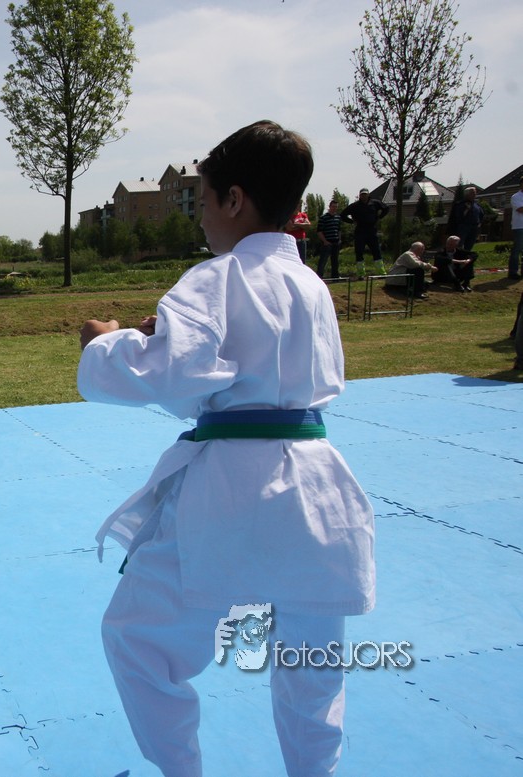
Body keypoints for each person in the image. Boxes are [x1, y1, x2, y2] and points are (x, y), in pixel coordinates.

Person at [79, 120, 374, 777]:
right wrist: (171, 342)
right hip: (318, 486)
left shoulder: (219, 276)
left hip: (233, 490)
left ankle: (181, 769)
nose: (203, 219)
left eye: (207, 201)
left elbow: (171, 375)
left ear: (234, 199)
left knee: (137, 637)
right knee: (312, 665)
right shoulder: (312, 286)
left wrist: (106, 342)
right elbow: (240, 385)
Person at [341, 188, 388, 275]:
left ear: (368, 195)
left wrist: (379, 217)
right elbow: (343, 215)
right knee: (359, 252)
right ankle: (361, 273)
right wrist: (352, 222)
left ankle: (381, 272)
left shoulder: (375, 203)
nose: (364, 196)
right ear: (360, 195)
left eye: (365, 194)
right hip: (360, 231)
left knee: (376, 251)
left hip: (372, 230)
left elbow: (386, 208)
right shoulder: (355, 205)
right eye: (362, 194)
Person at [447, 186, 483, 251]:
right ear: (467, 194)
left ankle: (467, 255)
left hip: (474, 228)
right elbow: (458, 217)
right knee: (459, 244)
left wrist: (479, 223)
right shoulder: (460, 204)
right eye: (472, 193)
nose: (474, 195)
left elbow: (481, 215)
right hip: (463, 227)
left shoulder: (476, 205)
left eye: (475, 193)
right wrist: (466, 210)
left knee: (470, 245)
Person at [315, 199, 342, 279]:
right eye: (333, 206)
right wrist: (325, 241)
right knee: (323, 260)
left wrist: (339, 239)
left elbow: (339, 229)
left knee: (335, 261)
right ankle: (319, 276)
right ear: (329, 207)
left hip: (336, 242)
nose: (334, 208)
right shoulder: (323, 218)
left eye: (336, 207)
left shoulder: (338, 217)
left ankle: (335, 276)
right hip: (327, 243)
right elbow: (319, 231)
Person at [508, 177, 523, 280]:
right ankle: (513, 272)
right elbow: (520, 209)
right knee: (517, 249)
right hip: (519, 226)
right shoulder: (516, 196)